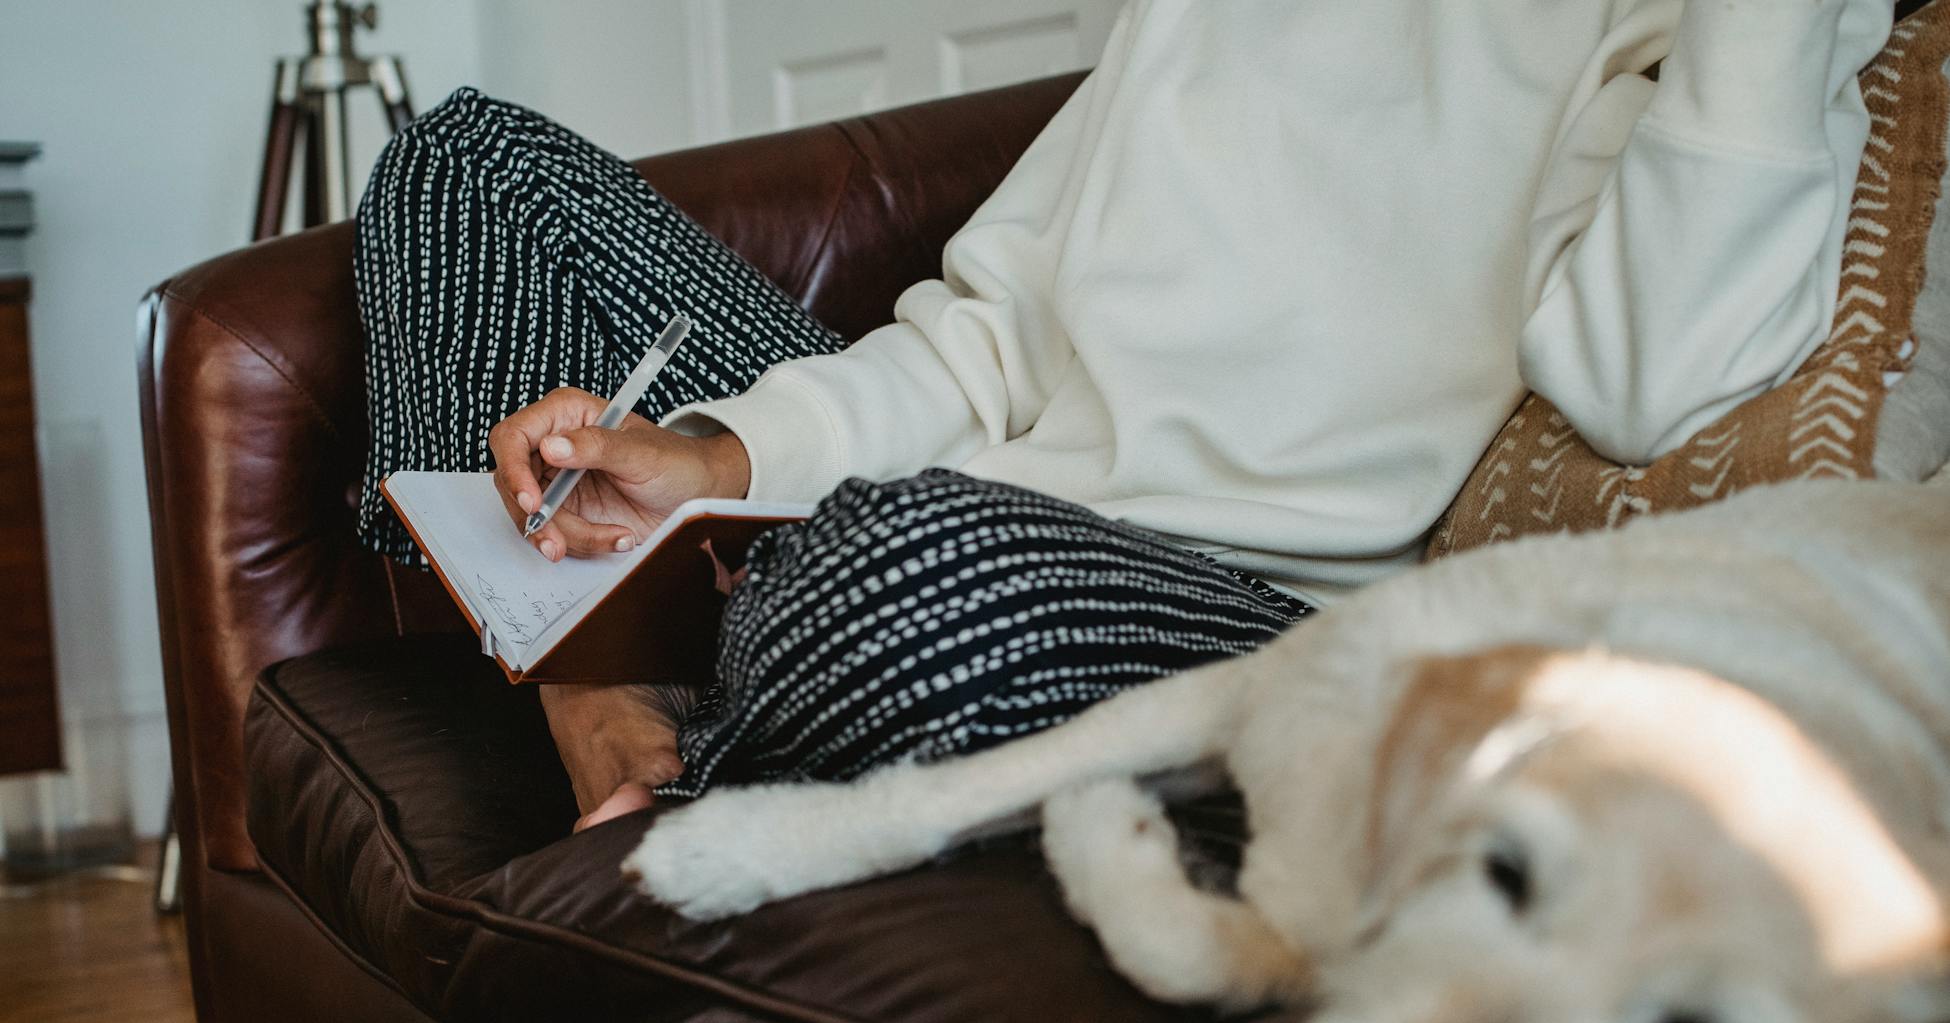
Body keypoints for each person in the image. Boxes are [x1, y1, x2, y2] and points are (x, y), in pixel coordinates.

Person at [354, 0, 1893, 830]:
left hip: (1230, 609)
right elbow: (986, 338)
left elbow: (1646, 383)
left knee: (904, 569)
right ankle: (598, 696)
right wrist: (715, 457)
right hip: (954, 507)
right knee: (462, 166)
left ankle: (689, 648)